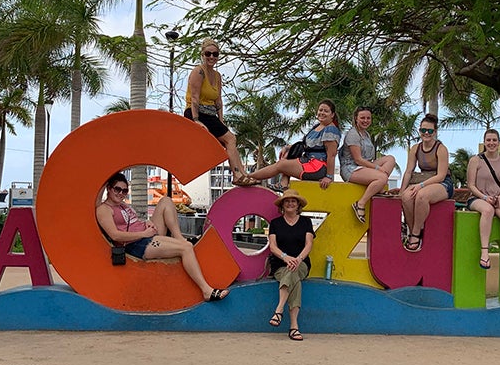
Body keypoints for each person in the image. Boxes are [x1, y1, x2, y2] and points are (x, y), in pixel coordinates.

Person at [95, 172, 229, 302]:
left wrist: (146, 223)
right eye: (117, 189)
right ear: (109, 189)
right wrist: (143, 233)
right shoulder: (104, 209)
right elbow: (115, 235)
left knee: (166, 201)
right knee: (186, 248)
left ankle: (179, 238)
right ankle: (206, 290)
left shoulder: (123, 205)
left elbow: (132, 222)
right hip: (135, 245)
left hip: (146, 235)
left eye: (124, 191)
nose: (121, 194)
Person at [185, 38, 254, 186]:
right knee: (230, 139)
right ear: (202, 54)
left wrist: (221, 121)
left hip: (210, 114)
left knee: (230, 138)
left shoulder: (217, 76)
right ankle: (237, 174)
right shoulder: (198, 71)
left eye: (215, 54)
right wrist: (196, 120)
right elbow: (195, 98)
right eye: (208, 53)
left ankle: (242, 173)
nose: (211, 57)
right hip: (195, 112)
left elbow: (218, 101)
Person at [245, 100, 342, 190]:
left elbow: (331, 155)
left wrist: (329, 177)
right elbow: (304, 145)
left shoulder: (330, 130)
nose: (322, 113)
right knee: (287, 154)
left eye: (326, 111)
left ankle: (250, 177)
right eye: (320, 110)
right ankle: (283, 183)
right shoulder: (317, 127)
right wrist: (287, 148)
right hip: (307, 161)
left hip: (318, 167)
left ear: (332, 114)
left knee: (281, 165)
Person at [399, 114, 454, 253]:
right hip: (423, 181)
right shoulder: (415, 148)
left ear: (435, 132)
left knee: (422, 196)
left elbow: (441, 175)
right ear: (420, 131)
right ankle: (412, 231)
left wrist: (421, 185)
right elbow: (408, 171)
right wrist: (402, 190)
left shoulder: (441, 149)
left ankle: (416, 232)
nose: (426, 134)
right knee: (406, 197)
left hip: (441, 183)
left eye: (429, 131)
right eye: (423, 130)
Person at [465, 128, 500, 271]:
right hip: (478, 197)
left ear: (499, 142)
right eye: (488, 140)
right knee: (488, 210)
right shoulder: (476, 160)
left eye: (494, 140)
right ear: (484, 142)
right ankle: (484, 250)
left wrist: (499, 198)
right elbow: (470, 185)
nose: (491, 143)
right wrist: (485, 197)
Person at [267, 189, 315, 341]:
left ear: (298, 204)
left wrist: (298, 259)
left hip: (301, 263)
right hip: (280, 264)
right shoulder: (275, 223)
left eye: (293, 201)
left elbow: (308, 245)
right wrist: (286, 258)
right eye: (287, 201)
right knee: (293, 277)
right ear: (282, 205)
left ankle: (279, 309)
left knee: (294, 270)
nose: (290, 203)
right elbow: (272, 247)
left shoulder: (306, 222)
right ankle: (294, 327)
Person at [339, 106, 397, 223]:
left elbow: (367, 160)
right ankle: (360, 203)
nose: (366, 120)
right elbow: (358, 160)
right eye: (362, 118)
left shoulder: (366, 134)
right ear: (356, 119)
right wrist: (378, 168)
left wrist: (377, 168)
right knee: (382, 177)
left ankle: (379, 187)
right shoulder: (353, 134)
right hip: (351, 169)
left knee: (390, 159)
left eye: (368, 118)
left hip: (365, 166)